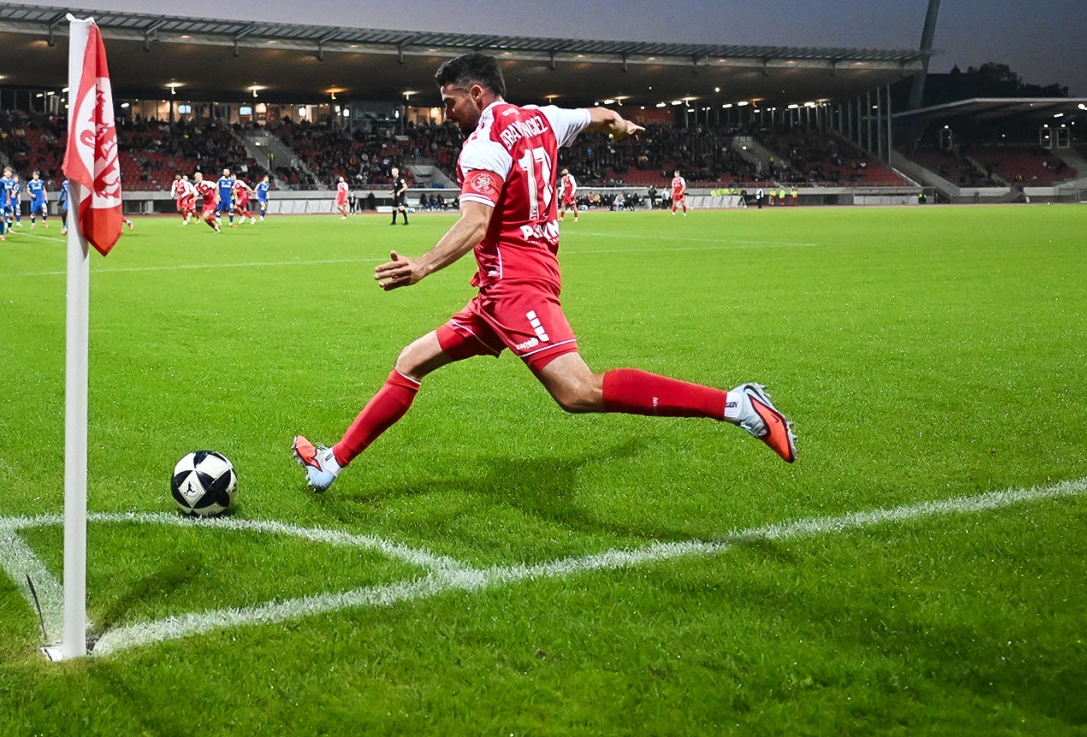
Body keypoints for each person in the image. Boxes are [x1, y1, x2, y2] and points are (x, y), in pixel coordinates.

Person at [291, 53, 795, 494]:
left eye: (449, 102)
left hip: (516, 287)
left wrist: (422, 265)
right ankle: (332, 463)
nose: (446, 113)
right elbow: (600, 116)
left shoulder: (484, 143)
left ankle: (736, 405)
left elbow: (475, 222)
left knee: (577, 391)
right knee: (411, 361)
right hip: (503, 288)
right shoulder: (543, 118)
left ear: (476, 93)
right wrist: (622, 125)